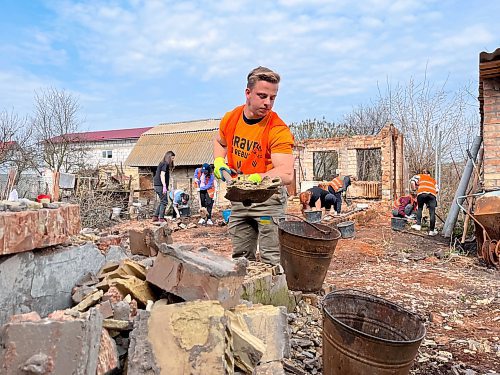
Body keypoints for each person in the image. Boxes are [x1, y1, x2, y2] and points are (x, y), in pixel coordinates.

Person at [213, 66, 294, 265]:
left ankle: (273, 295)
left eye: (272, 98)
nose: (268, 103)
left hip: (267, 199)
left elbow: (286, 173)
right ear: (248, 93)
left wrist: (258, 177)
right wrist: (218, 161)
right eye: (262, 95)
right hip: (239, 198)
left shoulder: (278, 129)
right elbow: (220, 142)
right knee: (240, 257)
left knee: (270, 258)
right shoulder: (231, 118)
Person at [410, 169, 439, 236]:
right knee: (432, 212)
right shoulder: (433, 180)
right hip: (432, 195)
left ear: (423, 173)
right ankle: (431, 231)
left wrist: (414, 190)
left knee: (420, 208)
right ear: (429, 174)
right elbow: (437, 190)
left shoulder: (419, 176)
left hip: (422, 193)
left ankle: (418, 225)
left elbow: (412, 182)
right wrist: (430, 202)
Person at [152, 151, 175, 222]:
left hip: (157, 185)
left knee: (162, 201)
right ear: (169, 157)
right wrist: (164, 186)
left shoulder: (162, 163)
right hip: (160, 185)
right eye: (172, 158)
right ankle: (161, 218)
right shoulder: (165, 164)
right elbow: (162, 175)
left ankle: (155, 216)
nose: (173, 160)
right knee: (165, 202)